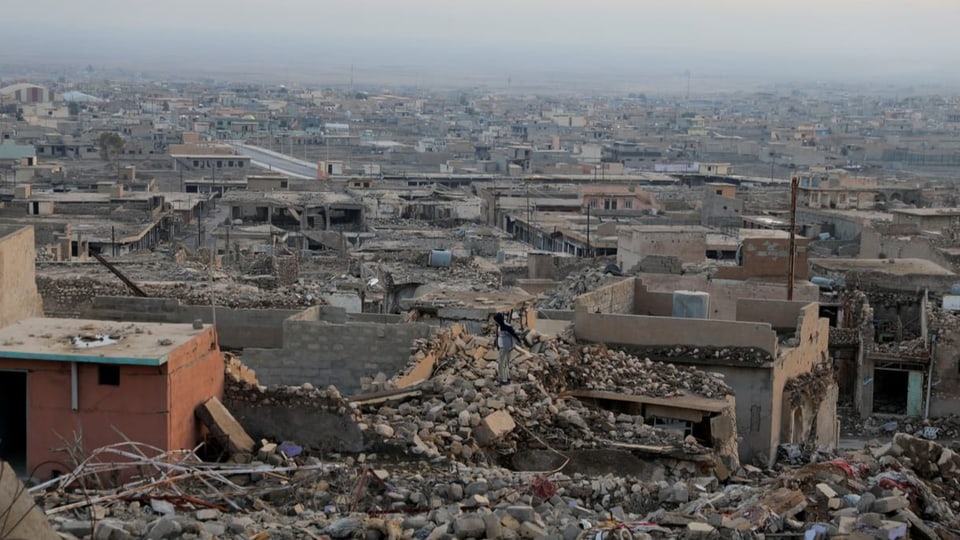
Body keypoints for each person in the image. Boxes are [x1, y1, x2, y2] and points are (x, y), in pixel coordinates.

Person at [493, 313, 524, 385]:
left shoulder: (506, 326)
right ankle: (507, 378)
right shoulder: (499, 326)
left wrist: (519, 342)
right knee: (505, 364)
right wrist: (495, 344)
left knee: (501, 364)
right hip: (502, 347)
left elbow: (514, 335)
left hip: (506, 347)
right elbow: (498, 336)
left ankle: (504, 380)